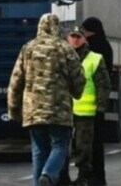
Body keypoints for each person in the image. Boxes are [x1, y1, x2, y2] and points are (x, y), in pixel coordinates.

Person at [8, 13, 86, 186]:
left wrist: (14, 109)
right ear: (57, 28)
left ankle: (39, 182)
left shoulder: (27, 48)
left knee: (39, 150)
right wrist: (76, 93)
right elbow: (78, 78)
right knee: (59, 146)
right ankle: (49, 175)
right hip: (59, 110)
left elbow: (16, 80)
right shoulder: (65, 49)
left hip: (33, 111)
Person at [63, 26, 111, 186]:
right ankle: (63, 177)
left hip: (86, 112)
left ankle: (84, 176)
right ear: (68, 38)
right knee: (63, 146)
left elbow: (103, 85)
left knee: (84, 147)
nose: (75, 40)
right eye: (73, 36)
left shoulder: (95, 59)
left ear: (85, 39)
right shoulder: (62, 57)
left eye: (79, 37)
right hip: (65, 111)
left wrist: (101, 108)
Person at [80, 17, 112, 186]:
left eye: (84, 31)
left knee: (86, 145)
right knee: (97, 143)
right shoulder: (106, 47)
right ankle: (99, 177)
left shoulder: (91, 50)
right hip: (98, 104)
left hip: (86, 105)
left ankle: (90, 176)